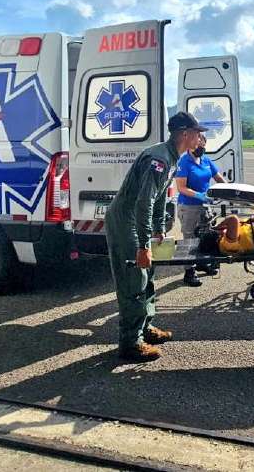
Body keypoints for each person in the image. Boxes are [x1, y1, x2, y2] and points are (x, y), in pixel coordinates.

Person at [105, 111, 205, 362]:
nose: (201, 137)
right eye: (197, 132)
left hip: (137, 220)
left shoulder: (172, 157)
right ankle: (130, 344)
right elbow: (143, 202)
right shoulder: (158, 159)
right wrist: (142, 244)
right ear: (185, 134)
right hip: (125, 221)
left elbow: (161, 197)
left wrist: (160, 228)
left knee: (147, 273)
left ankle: (145, 327)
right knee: (134, 278)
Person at [175, 134, 227, 287]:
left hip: (205, 206)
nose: (201, 148)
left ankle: (202, 263)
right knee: (189, 239)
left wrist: (228, 190)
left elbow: (218, 178)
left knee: (205, 236)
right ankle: (189, 271)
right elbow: (181, 187)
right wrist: (199, 195)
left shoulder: (206, 161)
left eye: (203, 146)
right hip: (189, 206)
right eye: (198, 145)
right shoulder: (184, 162)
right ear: (191, 145)